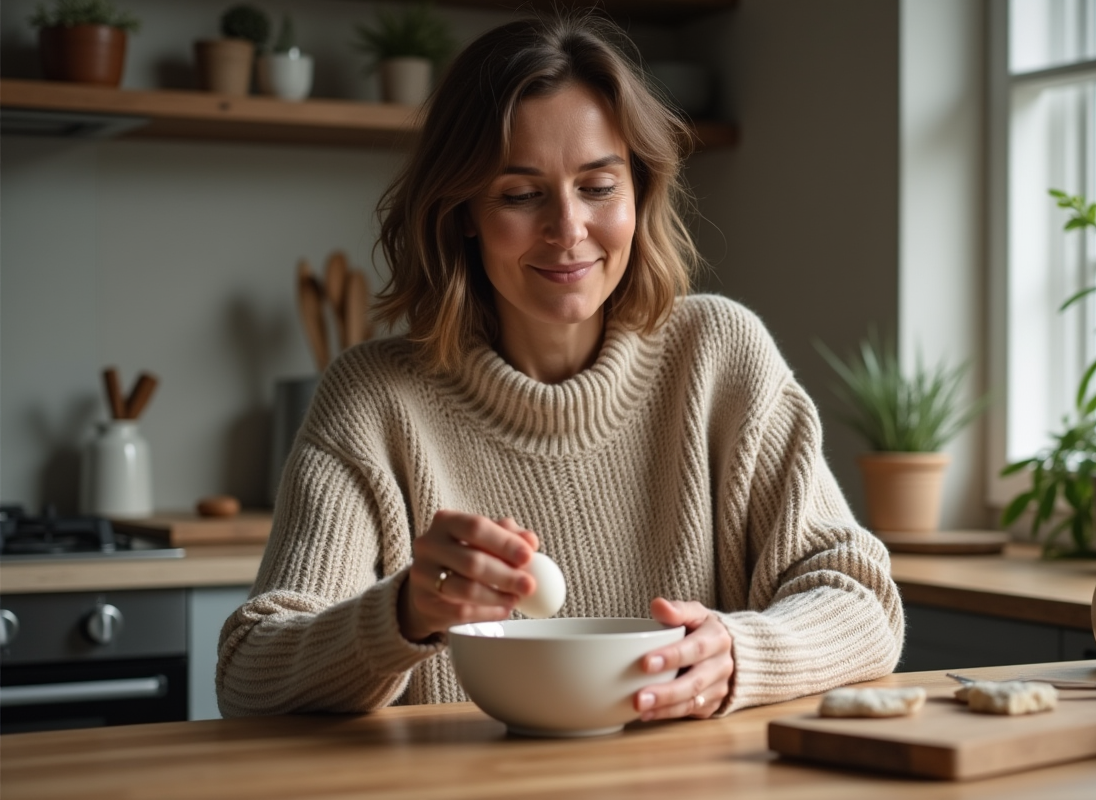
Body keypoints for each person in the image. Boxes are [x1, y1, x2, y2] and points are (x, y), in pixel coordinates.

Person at [217, 12, 903, 721]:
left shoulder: (722, 357)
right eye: (520, 194)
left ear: (639, 193)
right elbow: (249, 674)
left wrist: (738, 652)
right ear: (462, 213)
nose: (568, 230)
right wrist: (402, 614)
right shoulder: (374, 401)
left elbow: (862, 603)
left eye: (598, 187)